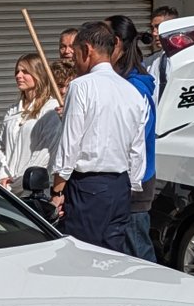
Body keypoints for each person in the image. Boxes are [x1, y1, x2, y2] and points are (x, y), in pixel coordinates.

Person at [49, 18, 149, 254]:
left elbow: (70, 144)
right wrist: (131, 184)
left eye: (75, 54)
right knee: (113, 256)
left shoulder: (81, 86)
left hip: (88, 187)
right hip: (120, 187)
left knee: (82, 255)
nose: (74, 61)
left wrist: (57, 191)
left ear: (87, 50)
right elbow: (137, 148)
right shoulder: (132, 91)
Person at [107, 13, 158, 261]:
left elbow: (136, 136)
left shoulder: (135, 87)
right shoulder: (119, 83)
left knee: (138, 251)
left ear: (116, 43)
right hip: (120, 180)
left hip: (135, 182)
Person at [0, 54, 62, 190]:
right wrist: (2, 176)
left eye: (25, 72)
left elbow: (45, 154)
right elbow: (1, 146)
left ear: (39, 74)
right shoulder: (12, 110)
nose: (18, 76)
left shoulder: (50, 109)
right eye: (17, 72)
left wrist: (19, 182)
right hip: (6, 187)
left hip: (33, 188)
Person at [146, 5, 179, 99]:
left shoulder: (183, 58)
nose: (154, 33)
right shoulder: (151, 61)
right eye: (153, 28)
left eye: (159, 27)